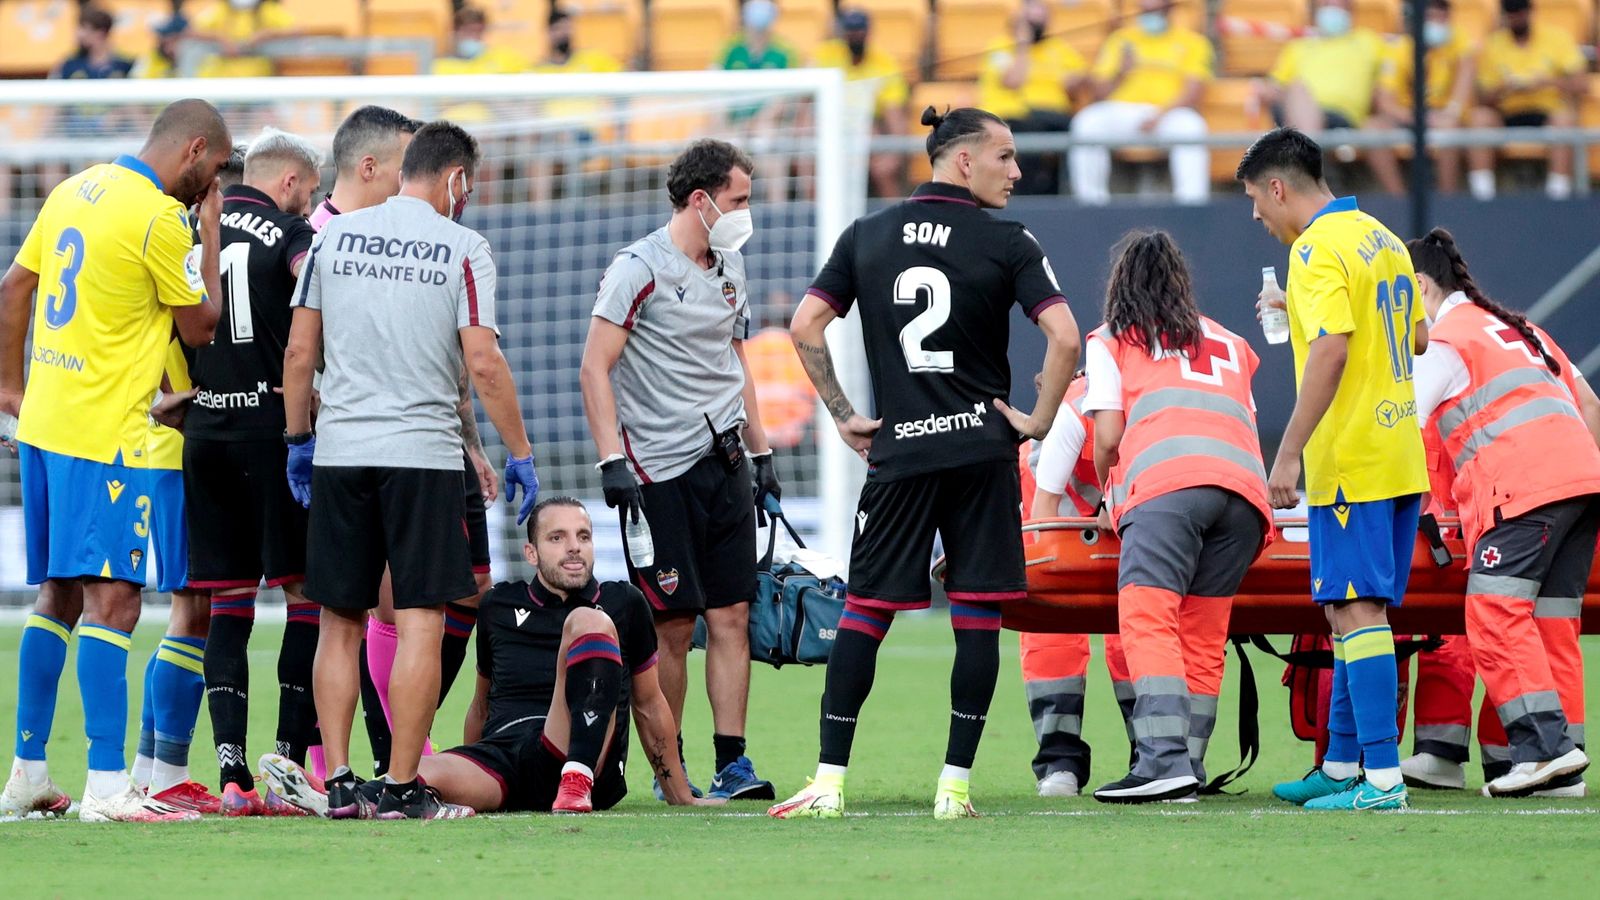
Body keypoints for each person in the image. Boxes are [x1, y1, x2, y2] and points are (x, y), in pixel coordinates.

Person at [770, 107, 1081, 820]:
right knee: (975, 617)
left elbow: (804, 324)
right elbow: (1064, 336)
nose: (1018, 170)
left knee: (865, 614)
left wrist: (845, 412)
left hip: (901, 452)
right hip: (980, 450)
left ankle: (828, 782)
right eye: (1005, 156)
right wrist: (1034, 422)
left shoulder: (867, 234)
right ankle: (954, 788)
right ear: (963, 162)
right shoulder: (1008, 240)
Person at [282, 120, 540, 820]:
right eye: (471, 189)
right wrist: (518, 453)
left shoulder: (332, 236)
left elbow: (301, 353)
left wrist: (298, 439)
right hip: (421, 455)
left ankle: (336, 782)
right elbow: (483, 363)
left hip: (340, 450)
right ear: (454, 181)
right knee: (421, 620)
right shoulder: (463, 248)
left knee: (340, 620)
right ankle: (400, 786)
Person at [0, 99, 232, 823]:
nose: (213, 183)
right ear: (194, 150)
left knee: (58, 597)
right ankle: (107, 787)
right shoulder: (162, 218)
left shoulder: (75, 188)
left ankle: (28, 774)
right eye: (217, 169)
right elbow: (202, 325)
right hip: (106, 436)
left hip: (45, 424)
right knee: (117, 601)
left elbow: (14, 291)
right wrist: (209, 233)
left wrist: (11, 389)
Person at [273, 497, 723, 815]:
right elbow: (482, 703)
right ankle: (333, 797)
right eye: (558, 537)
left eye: (583, 536)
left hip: (579, 754)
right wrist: (468, 756)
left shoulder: (622, 603)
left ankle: (576, 779)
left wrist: (678, 791)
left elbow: (649, 703)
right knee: (408, 775)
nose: (574, 547)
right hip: (507, 759)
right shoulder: (499, 606)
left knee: (587, 622)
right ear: (531, 552)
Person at [579, 139, 778, 802]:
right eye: (740, 199)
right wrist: (612, 460)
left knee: (732, 616)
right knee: (672, 625)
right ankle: (671, 768)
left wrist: (762, 451)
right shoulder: (638, 269)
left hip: (725, 465)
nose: (748, 212)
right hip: (657, 470)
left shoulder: (731, 267)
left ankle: (734, 761)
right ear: (703, 199)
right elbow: (594, 366)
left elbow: (735, 362)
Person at [1239, 127, 1428, 812]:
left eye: (1257, 200)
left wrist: (1287, 451)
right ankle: (1343, 762)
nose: (1257, 216)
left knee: (1356, 606)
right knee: (1344, 608)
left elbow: (1331, 354)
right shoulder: (1381, 237)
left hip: (1350, 456)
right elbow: (1419, 336)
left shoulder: (1314, 249)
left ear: (1278, 187)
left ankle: (1381, 778)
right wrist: (1303, 311)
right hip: (1400, 448)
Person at [1407, 227, 1598, 796]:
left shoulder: (1442, 342)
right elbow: (1588, 403)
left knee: (1493, 612)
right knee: (1552, 624)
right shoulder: (1524, 329)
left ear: (1417, 286)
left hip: (1520, 490)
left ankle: (1543, 750)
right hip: (1583, 483)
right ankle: (1566, 762)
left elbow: (1401, 428)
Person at [1081, 232, 1271, 803]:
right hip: (1243, 496)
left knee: (1148, 619)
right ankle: (1187, 762)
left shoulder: (1111, 338)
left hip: (1165, 488)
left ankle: (1162, 763)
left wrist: (1109, 485)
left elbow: (1109, 435)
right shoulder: (1233, 342)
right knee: (1204, 632)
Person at [177, 127, 329, 816]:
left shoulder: (195, 227)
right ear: (293, 182)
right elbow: (314, 286)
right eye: (312, 192)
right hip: (275, 433)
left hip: (206, 432)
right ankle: (289, 769)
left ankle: (232, 775)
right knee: (305, 598)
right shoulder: (291, 233)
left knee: (226, 605)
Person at [1021, 373, 1134, 797]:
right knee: (1054, 622)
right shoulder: (1062, 429)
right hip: (1058, 487)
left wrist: (1115, 500)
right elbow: (1044, 517)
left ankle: (1156, 754)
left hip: (1135, 485)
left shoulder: (1153, 405)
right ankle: (1058, 758)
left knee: (1140, 617)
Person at [1070, 0, 1214, 205]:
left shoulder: (1193, 42)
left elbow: (1193, 91)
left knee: (1192, 127)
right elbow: (1099, 93)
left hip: (1168, 114)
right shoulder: (1120, 39)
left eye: (1155, 11)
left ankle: (1191, 205)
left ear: (1168, 10)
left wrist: (1160, 115)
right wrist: (1121, 71)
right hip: (1123, 111)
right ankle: (1090, 204)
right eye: (1145, 11)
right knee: (1087, 122)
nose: (1149, 16)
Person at [1465, 0, 1587, 200]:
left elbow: (1582, 84)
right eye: (1511, 14)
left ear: (1530, 12)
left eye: (1520, 12)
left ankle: (1558, 195)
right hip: (1507, 112)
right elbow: (1484, 98)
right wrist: (1504, 88)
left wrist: (1547, 82)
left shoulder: (1557, 39)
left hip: (1546, 111)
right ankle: (1482, 196)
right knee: (1479, 118)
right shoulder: (1493, 44)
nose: (1517, 18)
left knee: (1564, 120)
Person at [978, 0, 1088, 196]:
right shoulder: (1000, 46)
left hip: (1054, 115)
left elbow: (1081, 81)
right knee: (1029, 132)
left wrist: (1076, 82)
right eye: (1030, 22)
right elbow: (1013, 80)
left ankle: (1066, 195)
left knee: (1079, 128)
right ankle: (1024, 197)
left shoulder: (1058, 49)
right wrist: (1022, 45)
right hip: (1011, 115)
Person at [1367, 0, 1475, 195]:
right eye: (1431, 17)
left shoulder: (1457, 40)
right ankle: (1397, 199)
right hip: (1407, 115)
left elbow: (1464, 83)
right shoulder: (1399, 48)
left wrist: (1450, 113)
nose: (1437, 24)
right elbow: (1384, 102)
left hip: (1442, 114)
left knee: (1450, 128)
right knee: (1372, 128)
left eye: (1442, 18)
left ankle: (1447, 197)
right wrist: (1418, 118)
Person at [811, 8, 909, 198]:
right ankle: (812, 221)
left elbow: (894, 112)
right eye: (851, 30)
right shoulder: (826, 55)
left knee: (883, 167)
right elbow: (807, 99)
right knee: (812, 164)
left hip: (866, 129)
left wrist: (895, 154)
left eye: (859, 30)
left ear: (868, 32)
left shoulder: (884, 63)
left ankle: (897, 222)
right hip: (829, 128)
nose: (855, 35)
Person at [1256, 0, 1387, 139]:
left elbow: (1389, 84)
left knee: (1298, 95)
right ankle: (1309, 149)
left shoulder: (1369, 42)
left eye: (1338, 5)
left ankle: (1305, 153)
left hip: (1342, 118)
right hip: (1295, 111)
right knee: (1297, 90)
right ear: (1316, 9)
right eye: (1327, 5)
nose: (1332, 10)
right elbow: (1274, 87)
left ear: (1350, 9)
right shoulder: (1297, 47)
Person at [190, 0, 297, 79]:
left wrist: (267, 33)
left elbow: (295, 30)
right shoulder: (221, 9)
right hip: (225, 81)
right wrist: (219, 37)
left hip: (259, 81)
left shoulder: (267, 9)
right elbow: (193, 30)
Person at [433, 5, 529, 75]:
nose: (474, 36)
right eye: (469, 31)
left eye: (479, 31)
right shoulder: (438, 66)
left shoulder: (505, 59)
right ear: (455, 31)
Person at [132, 14, 190, 79]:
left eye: (169, 38)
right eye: (161, 36)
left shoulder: (191, 58)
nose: (162, 41)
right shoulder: (153, 56)